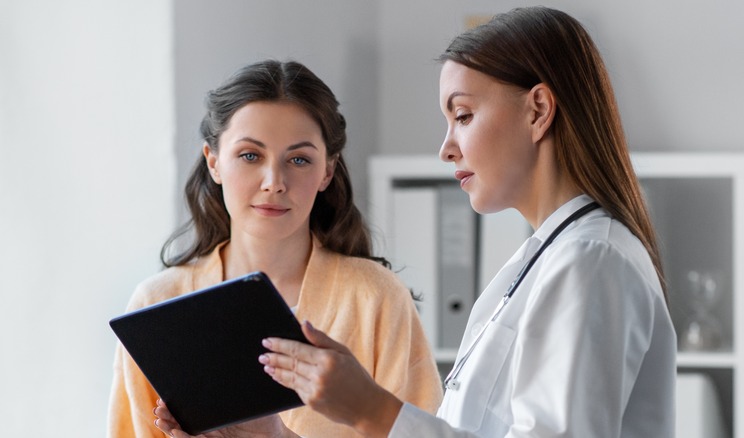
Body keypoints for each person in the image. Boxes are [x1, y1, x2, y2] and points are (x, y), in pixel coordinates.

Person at [155, 6, 677, 438]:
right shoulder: (544, 260)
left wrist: (369, 408)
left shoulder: (591, 259)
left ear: (538, 110)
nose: (447, 148)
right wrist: (275, 436)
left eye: (464, 116)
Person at [107, 59, 443, 438]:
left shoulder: (376, 299)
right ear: (214, 162)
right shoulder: (156, 307)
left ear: (327, 172)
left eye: (298, 159)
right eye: (250, 155)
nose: (274, 182)